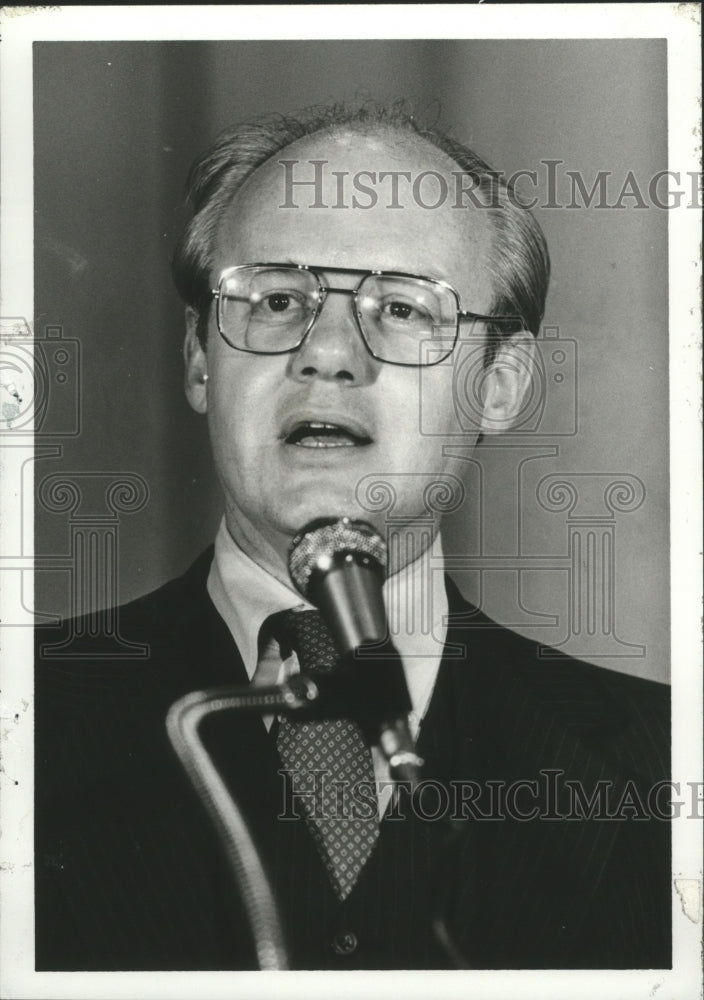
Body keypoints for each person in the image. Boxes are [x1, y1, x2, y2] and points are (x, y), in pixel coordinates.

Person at [35, 101, 670, 972]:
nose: (329, 352)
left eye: (404, 310)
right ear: (199, 360)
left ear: (500, 383)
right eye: (279, 299)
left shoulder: (662, 764)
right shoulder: (20, 715)